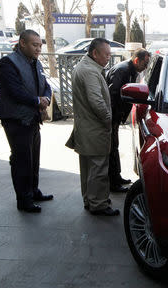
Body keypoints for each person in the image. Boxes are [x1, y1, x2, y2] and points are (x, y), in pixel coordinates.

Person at [0, 29, 53, 213]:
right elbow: (15, 91)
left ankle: (33, 191)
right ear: (22, 43)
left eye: (40, 45)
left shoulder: (36, 63)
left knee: (34, 158)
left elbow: (45, 85)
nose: (38, 49)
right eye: (34, 45)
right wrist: (38, 101)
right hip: (15, 120)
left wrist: (45, 97)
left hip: (32, 119)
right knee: (22, 160)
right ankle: (24, 199)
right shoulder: (8, 63)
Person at [65, 38, 119, 216]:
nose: (108, 59)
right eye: (106, 55)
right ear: (95, 53)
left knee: (88, 168)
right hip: (94, 129)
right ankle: (99, 204)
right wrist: (108, 119)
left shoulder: (85, 66)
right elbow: (96, 101)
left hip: (86, 128)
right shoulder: (90, 71)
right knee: (98, 168)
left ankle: (90, 199)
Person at [105, 48, 150, 192]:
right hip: (111, 116)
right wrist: (113, 118)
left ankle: (116, 177)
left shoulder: (129, 70)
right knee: (111, 148)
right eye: (145, 63)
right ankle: (113, 182)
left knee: (114, 147)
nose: (146, 67)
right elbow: (113, 96)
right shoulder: (123, 71)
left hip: (115, 117)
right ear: (137, 60)